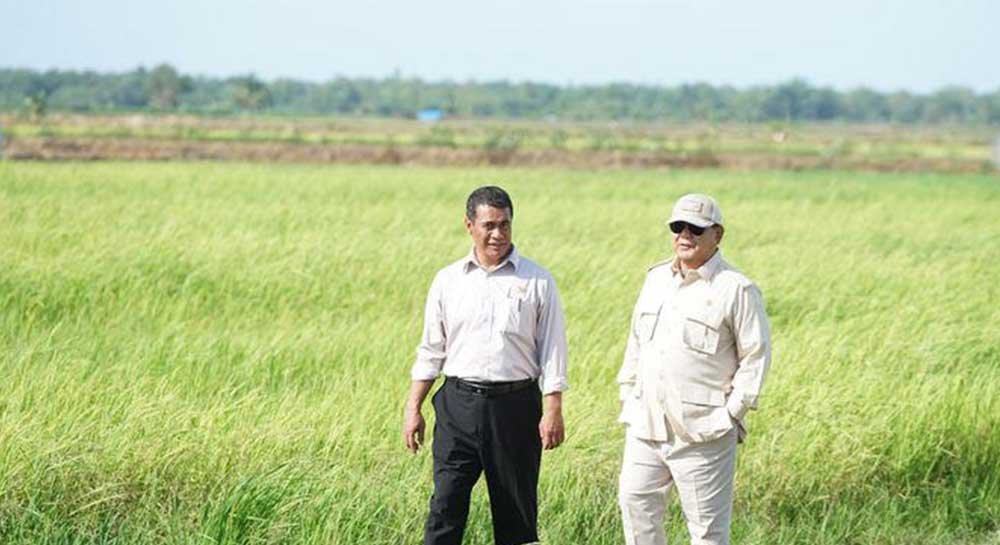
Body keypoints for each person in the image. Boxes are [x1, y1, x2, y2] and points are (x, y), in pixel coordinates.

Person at [403, 185, 569, 545]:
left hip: (516, 407)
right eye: (489, 225)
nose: (498, 234)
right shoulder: (448, 280)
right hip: (457, 406)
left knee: (516, 514)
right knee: (445, 506)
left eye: (505, 224)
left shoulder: (538, 280)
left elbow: (553, 348)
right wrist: (413, 406)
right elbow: (432, 348)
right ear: (469, 225)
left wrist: (553, 407)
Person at [616, 193, 771, 545]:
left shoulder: (736, 289)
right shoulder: (655, 278)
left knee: (706, 533)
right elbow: (636, 345)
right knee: (635, 506)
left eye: (696, 229)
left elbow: (756, 357)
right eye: (678, 227)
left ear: (718, 234)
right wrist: (628, 394)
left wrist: (730, 415)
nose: (685, 235)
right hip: (646, 423)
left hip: (705, 431)